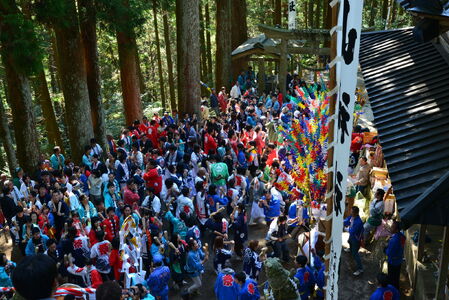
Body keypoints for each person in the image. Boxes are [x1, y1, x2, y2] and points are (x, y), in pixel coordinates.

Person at [343, 206, 364, 276]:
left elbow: (352, 231)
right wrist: (341, 222)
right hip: (352, 237)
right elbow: (347, 220)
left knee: (355, 254)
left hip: (356, 239)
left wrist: (345, 229)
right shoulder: (352, 217)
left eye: (352, 212)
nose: (350, 213)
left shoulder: (358, 222)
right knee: (349, 242)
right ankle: (350, 249)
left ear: (355, 213)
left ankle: (360, 269)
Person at [385, 221, 405, 289]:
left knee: (391, 278)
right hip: (399, 260)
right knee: (396, 277)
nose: (390, 228)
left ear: (396, 230)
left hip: (393, 262)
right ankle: (396, 288)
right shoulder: (402, 236)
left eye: (392, 227)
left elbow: (389, 253)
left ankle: (392, 291)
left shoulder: (394, 240)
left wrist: (385, 250)